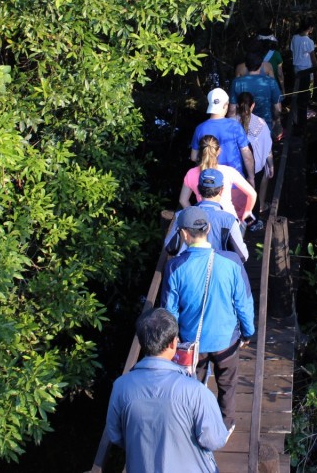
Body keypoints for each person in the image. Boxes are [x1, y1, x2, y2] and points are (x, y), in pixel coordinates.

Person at [104, 308, 230, 473]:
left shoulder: (120, 387)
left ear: (142, 343)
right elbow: (215, 439)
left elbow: (115, 435)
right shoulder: (196, 391)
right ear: (173, 343)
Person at [162, 207, 255, 430]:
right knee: (227, 384)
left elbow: (170, 311)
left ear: (184, 234)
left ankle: (196, 421)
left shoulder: (175, 267)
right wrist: (248, 332)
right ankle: (226, 423)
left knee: (193, 386)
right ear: (209, 228)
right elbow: (244, 303)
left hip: (193, 343)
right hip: (227, 341)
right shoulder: (232, 261)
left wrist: (173, 343)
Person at [166, 170, 249, 262]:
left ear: (198, 189)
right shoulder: (229, 220)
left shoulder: (181, 215)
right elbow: (242, 256)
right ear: (221, 191)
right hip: (217, 271)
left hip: (187, 270)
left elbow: (170, 248)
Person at [179, 135, 256, 221]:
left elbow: (183, 200)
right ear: (218, 151)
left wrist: (195, 217)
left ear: (200, 152)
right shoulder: (229, 171)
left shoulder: (191, 173)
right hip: (229, 219)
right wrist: (248, 211)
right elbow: (252, 194)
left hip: (205, 222)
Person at [191, 88, 255, 182]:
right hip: (234, 183)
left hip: (209, 183)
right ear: (226, 105)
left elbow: (193, 157)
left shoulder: (200, 129)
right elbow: (247, 155)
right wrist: (251, 177)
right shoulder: (235, 126)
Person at [233, 92, 272, 230]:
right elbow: (267, 147)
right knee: (252, 195)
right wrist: (271, 165)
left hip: (235, 169)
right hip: (256, 168)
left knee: (236, 196)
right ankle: (252, 223)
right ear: (253, 105)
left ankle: (236, 223)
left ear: (237, 106)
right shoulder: (261, 124)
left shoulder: (231, 123)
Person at [229, 51, 282, 132]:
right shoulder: (271, 82)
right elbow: (277, 108)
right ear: (261, 65)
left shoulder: (236, 82)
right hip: (265, 125)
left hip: (242, 126)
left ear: (246, 65)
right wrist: (276, 121)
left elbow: (232, 110)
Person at [290, 19, 317, 127]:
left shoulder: (294, 38)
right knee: (305, 93)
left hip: (296, 68)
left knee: (297, 92)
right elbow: (313, 58)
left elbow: (293, 51)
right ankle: (303, 115)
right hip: (306, 70)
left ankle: (297, 114)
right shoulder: (308, 41)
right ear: (310, 28)